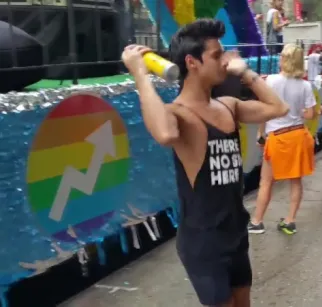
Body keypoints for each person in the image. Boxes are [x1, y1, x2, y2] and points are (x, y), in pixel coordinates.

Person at [121, 19, 289, 306]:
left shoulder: (228, 105)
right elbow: (164, 133)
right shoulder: (179, 113)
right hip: (204, 242)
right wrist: (140, 74)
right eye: (216, 56)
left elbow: (279, 108)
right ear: (192, 62)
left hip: (236, 232)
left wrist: (245, 72)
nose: (224, 62)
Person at [248, 44, 316, 235]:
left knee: (266, 182)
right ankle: (290, 221)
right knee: (295, 181)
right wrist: (298, 111)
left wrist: (260, 134)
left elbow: (264, 110)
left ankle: (257, 222)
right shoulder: (305, 85)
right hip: (298, 135)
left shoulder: (271, 81)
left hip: (278, 137)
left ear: (284, 60)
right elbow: (310, 114)